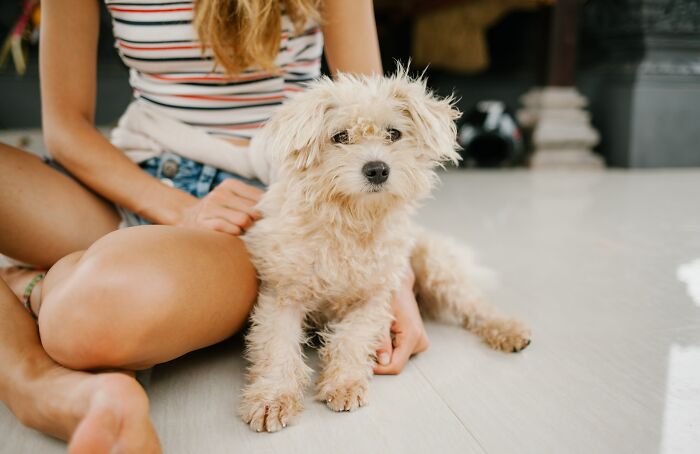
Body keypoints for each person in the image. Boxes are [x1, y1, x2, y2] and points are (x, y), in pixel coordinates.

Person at [0, 0, 429, 452]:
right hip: (130, 178)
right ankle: (42, 314)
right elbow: (66, 126)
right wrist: (178, 207)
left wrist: (388, 276)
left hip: (262, 211)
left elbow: (373, 121)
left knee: (84, 320)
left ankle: (48, 383)